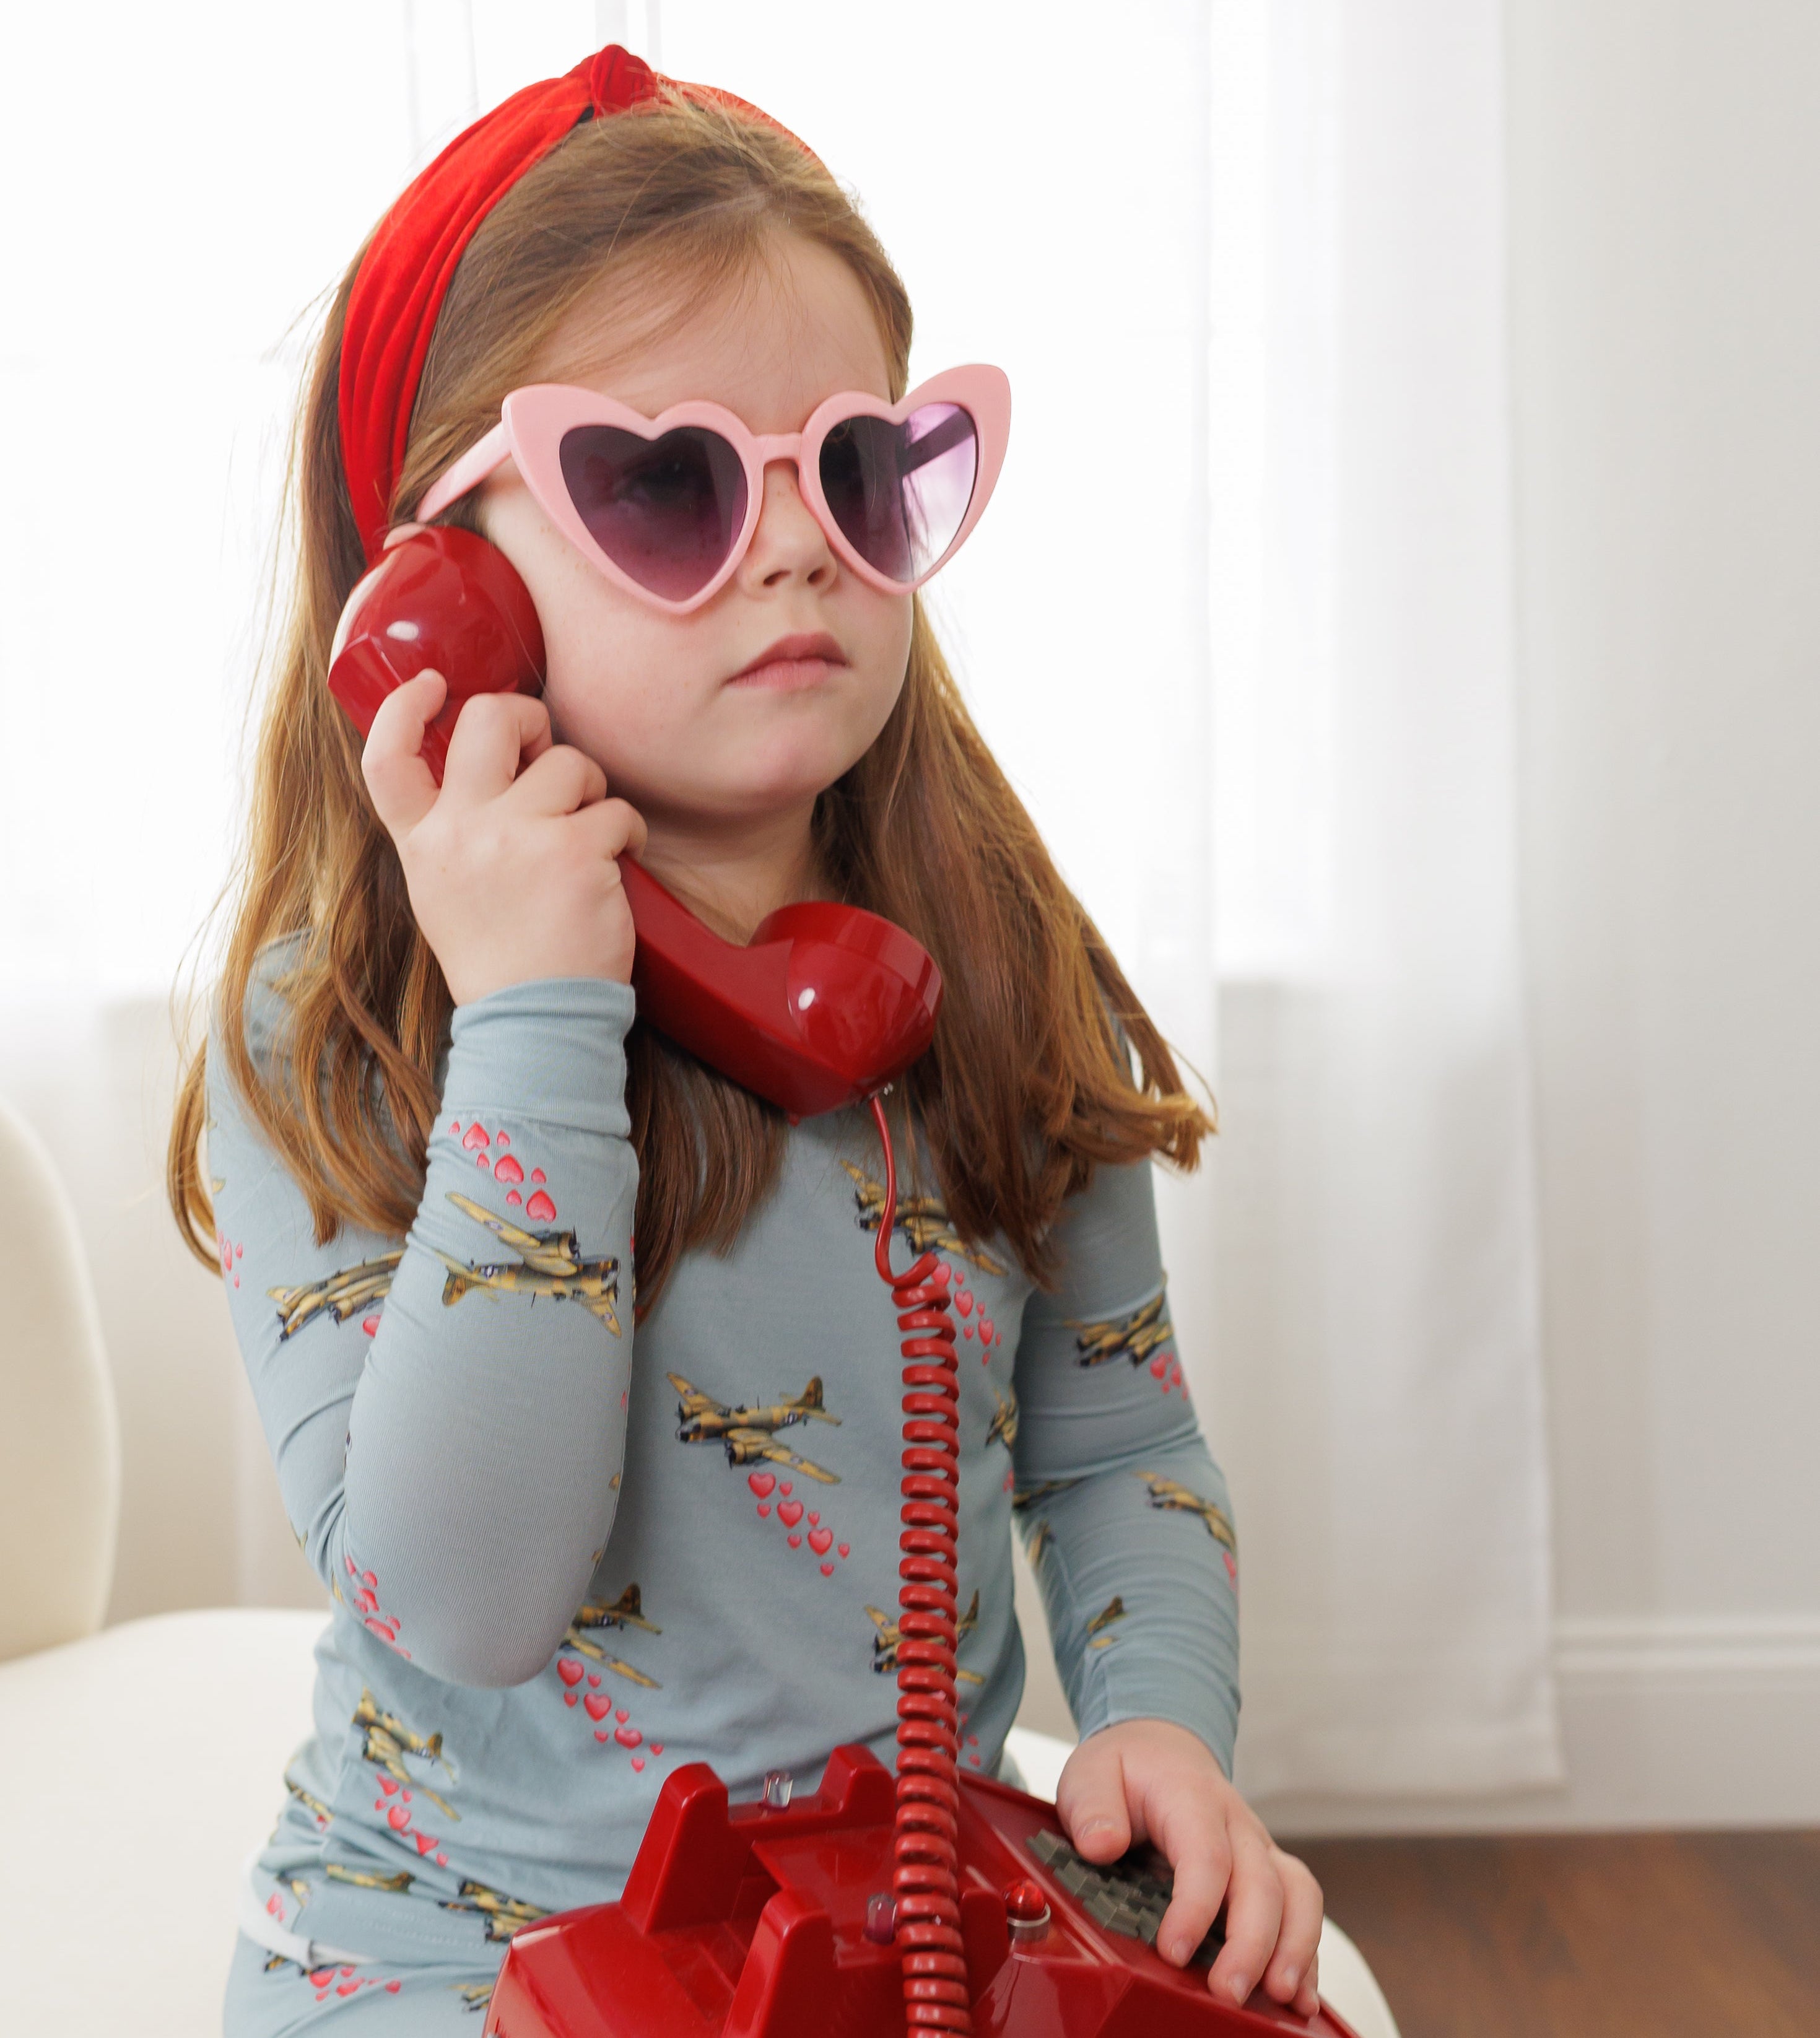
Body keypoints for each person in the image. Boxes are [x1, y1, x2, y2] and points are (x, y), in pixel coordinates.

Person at [168, 45, 1325, 2035]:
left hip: (897, 1921)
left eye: (860, 469)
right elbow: (468, 1596)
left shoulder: (996, 964)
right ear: (440, 593)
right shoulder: (337, 1025)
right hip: (456, 1947)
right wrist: (537, 1019)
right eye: (668, 480)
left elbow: (1116, 1435)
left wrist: (1157, 1725)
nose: (795, 546)